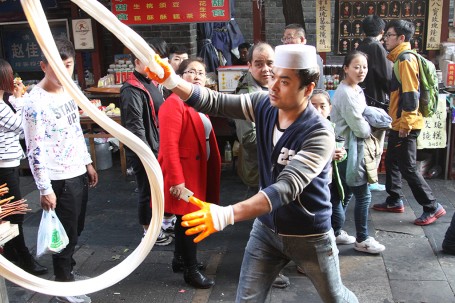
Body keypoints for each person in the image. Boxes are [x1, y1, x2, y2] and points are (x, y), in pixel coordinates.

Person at [146, 44, 358, 302]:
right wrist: (171, 80)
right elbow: (215, 101)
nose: (273, 86)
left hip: (309, 235)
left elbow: (285, 188)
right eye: (274, 77)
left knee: (336, 298)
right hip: (266, 230)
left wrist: (227, 214)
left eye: (285, 81)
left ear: (308, 88)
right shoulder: (264, 104)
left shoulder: (319, 133)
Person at [22, 38, 98, 303]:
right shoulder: (34, 102)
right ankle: (63, 285)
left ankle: (69, 273)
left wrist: (87, 161)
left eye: (67, 65)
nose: (63, 72)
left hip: (77, 170)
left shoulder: (70, 88)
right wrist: (45, 188)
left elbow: (75, 129)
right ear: (43, 66)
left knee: (75, 228)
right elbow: (34, 149)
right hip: (57, 178)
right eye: (56, 66)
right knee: (63, 234)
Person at [372, 20, 446, 226]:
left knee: (408, 167)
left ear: (402, 38)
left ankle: (432, 206)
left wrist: (405, 124)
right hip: (400, 122)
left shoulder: (405, 60)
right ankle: (394, 199)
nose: (385, 39)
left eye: (389, 35)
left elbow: (410, 95)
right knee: (393, 160)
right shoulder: (401, 58)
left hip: (407, 124)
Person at [158, 58, 221, 289]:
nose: (196, 76)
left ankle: (180, 259)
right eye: (190, 72)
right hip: (183, 175)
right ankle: (191, 270)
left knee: (184, 220)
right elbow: (169, 147)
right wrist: (177, 181)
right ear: (179, 76)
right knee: (190, 221)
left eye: (201, 73)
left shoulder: (198, 102)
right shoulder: (173, 103)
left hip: (196, 170)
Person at [233, 42, 290, 289]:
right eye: (259, 63)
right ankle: (266, 270)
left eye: (270, 63)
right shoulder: (247, 94)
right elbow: (249, 138)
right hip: (261, 169)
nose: (266, 69)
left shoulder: (276, 88)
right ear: (250, 65)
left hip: (276, 168)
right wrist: (287, 139)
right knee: (264, 221)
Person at [331, 51, 386, 254]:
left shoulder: (356, 89)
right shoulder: (346, 92)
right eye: (356, 66)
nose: (361, 70)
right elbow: (361, 129)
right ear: (345, 68)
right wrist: (373, 124)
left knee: (343, 195)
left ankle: (335, 231)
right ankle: (362, 239)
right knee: (362, 196)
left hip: (348, 148)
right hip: (348, 150)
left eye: (364, 66)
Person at [120, 38, 172, 246]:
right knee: (146, 190)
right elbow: (135, 127)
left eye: (154, 58)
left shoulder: (151, 82)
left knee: (157, 189)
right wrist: (147, 154)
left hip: (156, 146)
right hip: (144, 150)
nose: (153, 63)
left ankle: (161, 224)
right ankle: (148, 231)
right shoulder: (131, 88)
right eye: (147, 59)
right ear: (136, 62)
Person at [0, 59, 48, 276]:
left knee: (11, 213)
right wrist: (20, 100)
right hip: (4, 167)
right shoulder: (1, 106)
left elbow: (21, 132)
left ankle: (13, 255)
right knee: (14, 214)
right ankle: (20, 258)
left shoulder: (4, 102)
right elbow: (22, 126)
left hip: (8, 165)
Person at [309, 89, 354, 246]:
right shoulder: (302, 128)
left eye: (322, 106)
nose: (318, 110)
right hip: (312, 184)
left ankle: (335, 234)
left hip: (330, 181)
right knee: (315, 218)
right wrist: (329, 157)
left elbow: (337, 153)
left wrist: (342, 154)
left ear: (330, 108)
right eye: (313, 105)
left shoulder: (330, 126)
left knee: (337, 215)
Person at [357, 15, 392, 193]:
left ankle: (366, 178)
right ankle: (371, 180)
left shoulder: (360, 46)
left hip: (362, 99)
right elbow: (386, 76)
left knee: (365, 141)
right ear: (381, 31)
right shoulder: (378, 47)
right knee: (376, 143)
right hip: (376, 101)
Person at [281, 23, 325, 89]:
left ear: (301, 40)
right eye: (284, 38)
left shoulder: (308, 58)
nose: (286, 42)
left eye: (289, 38)